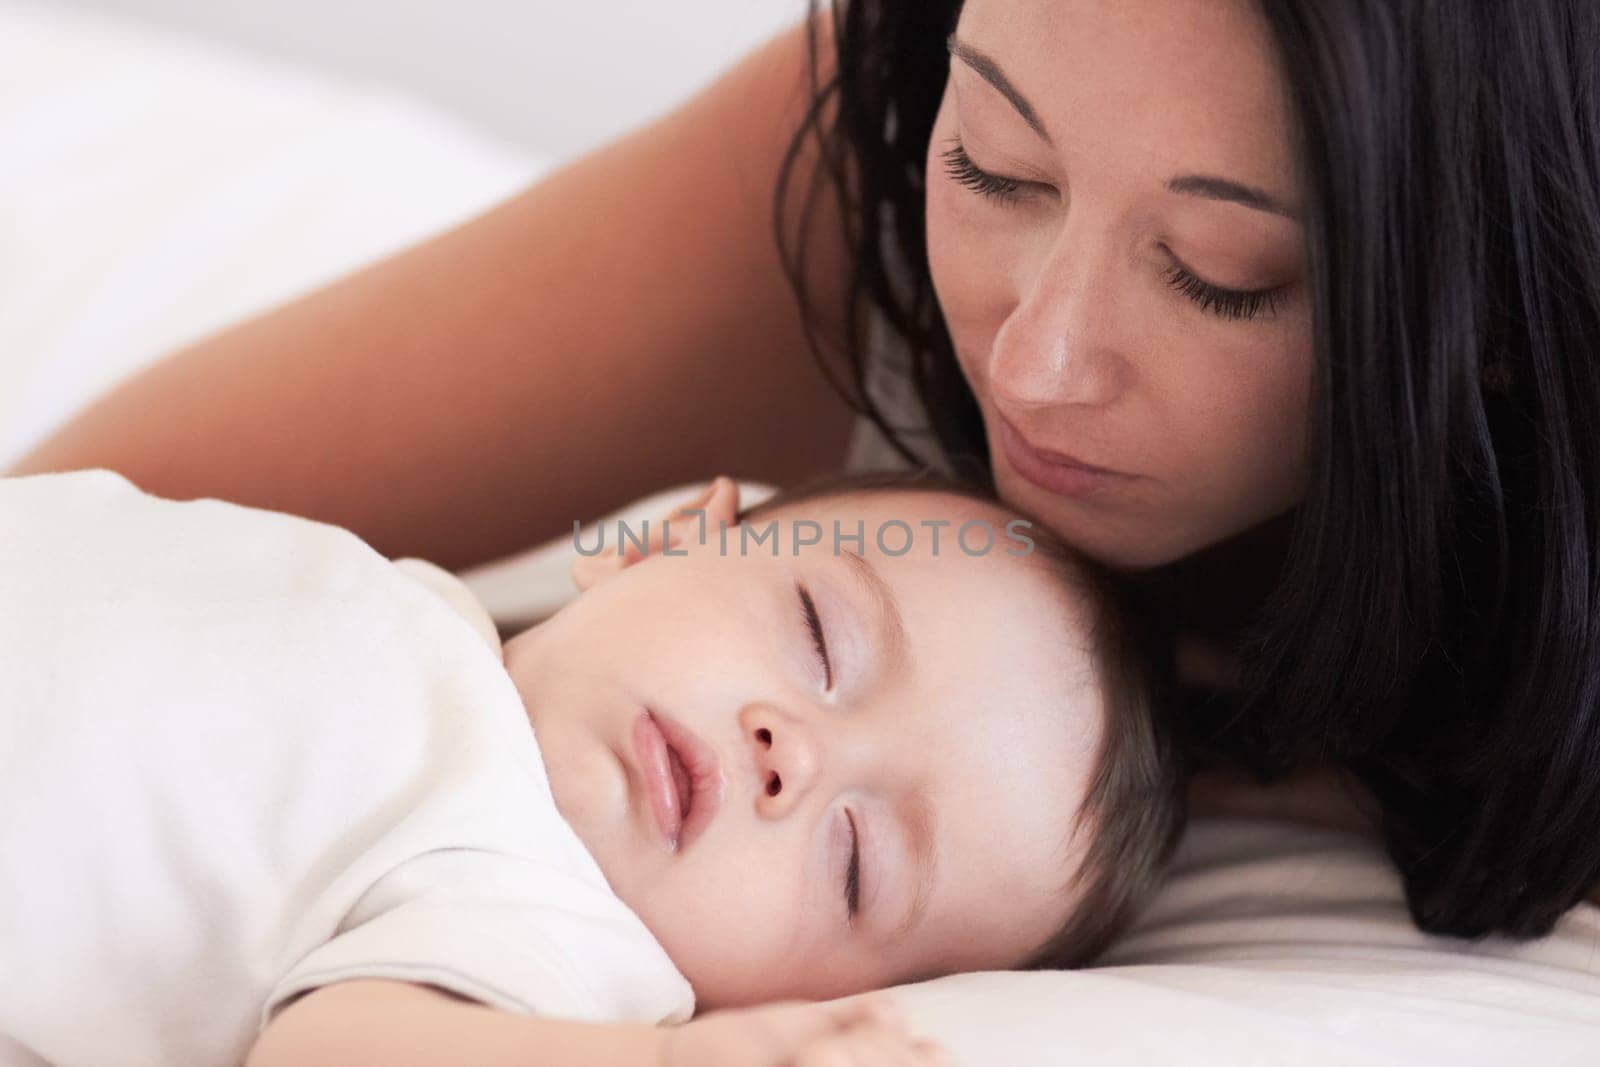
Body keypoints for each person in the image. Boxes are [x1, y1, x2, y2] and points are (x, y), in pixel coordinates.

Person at [10, 0, 1598, 939]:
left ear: (1514, 312)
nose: (1032, 365)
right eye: (995, 164)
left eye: (1220, 270)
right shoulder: (866, 141)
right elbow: (89, 525)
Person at [0, 468, 1181, 1067]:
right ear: (668, 537)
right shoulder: (422, 607)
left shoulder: (546, 927)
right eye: (822, 635)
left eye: (857, 862)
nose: (794, 757)